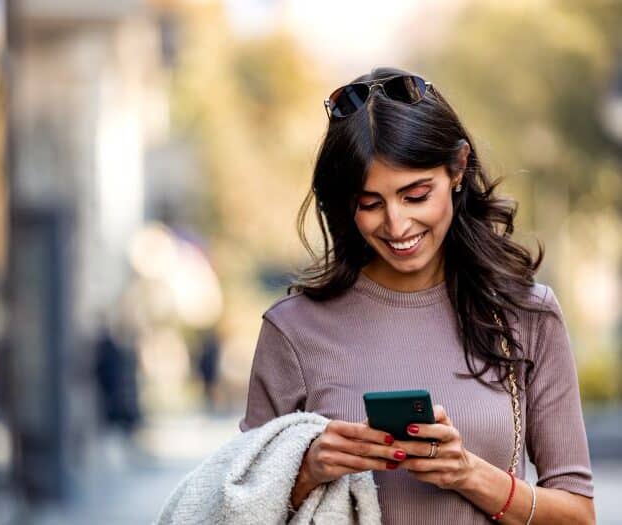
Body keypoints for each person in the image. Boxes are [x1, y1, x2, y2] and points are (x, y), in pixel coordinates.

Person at [239, 66, 595, 524]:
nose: (396, 224)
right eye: (370, 204)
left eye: (416, 195)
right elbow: (238, 506)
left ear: (458, 168)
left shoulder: (526, 314)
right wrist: (306, 470)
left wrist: (467, 474)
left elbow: (579, 516)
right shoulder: (292, 331)